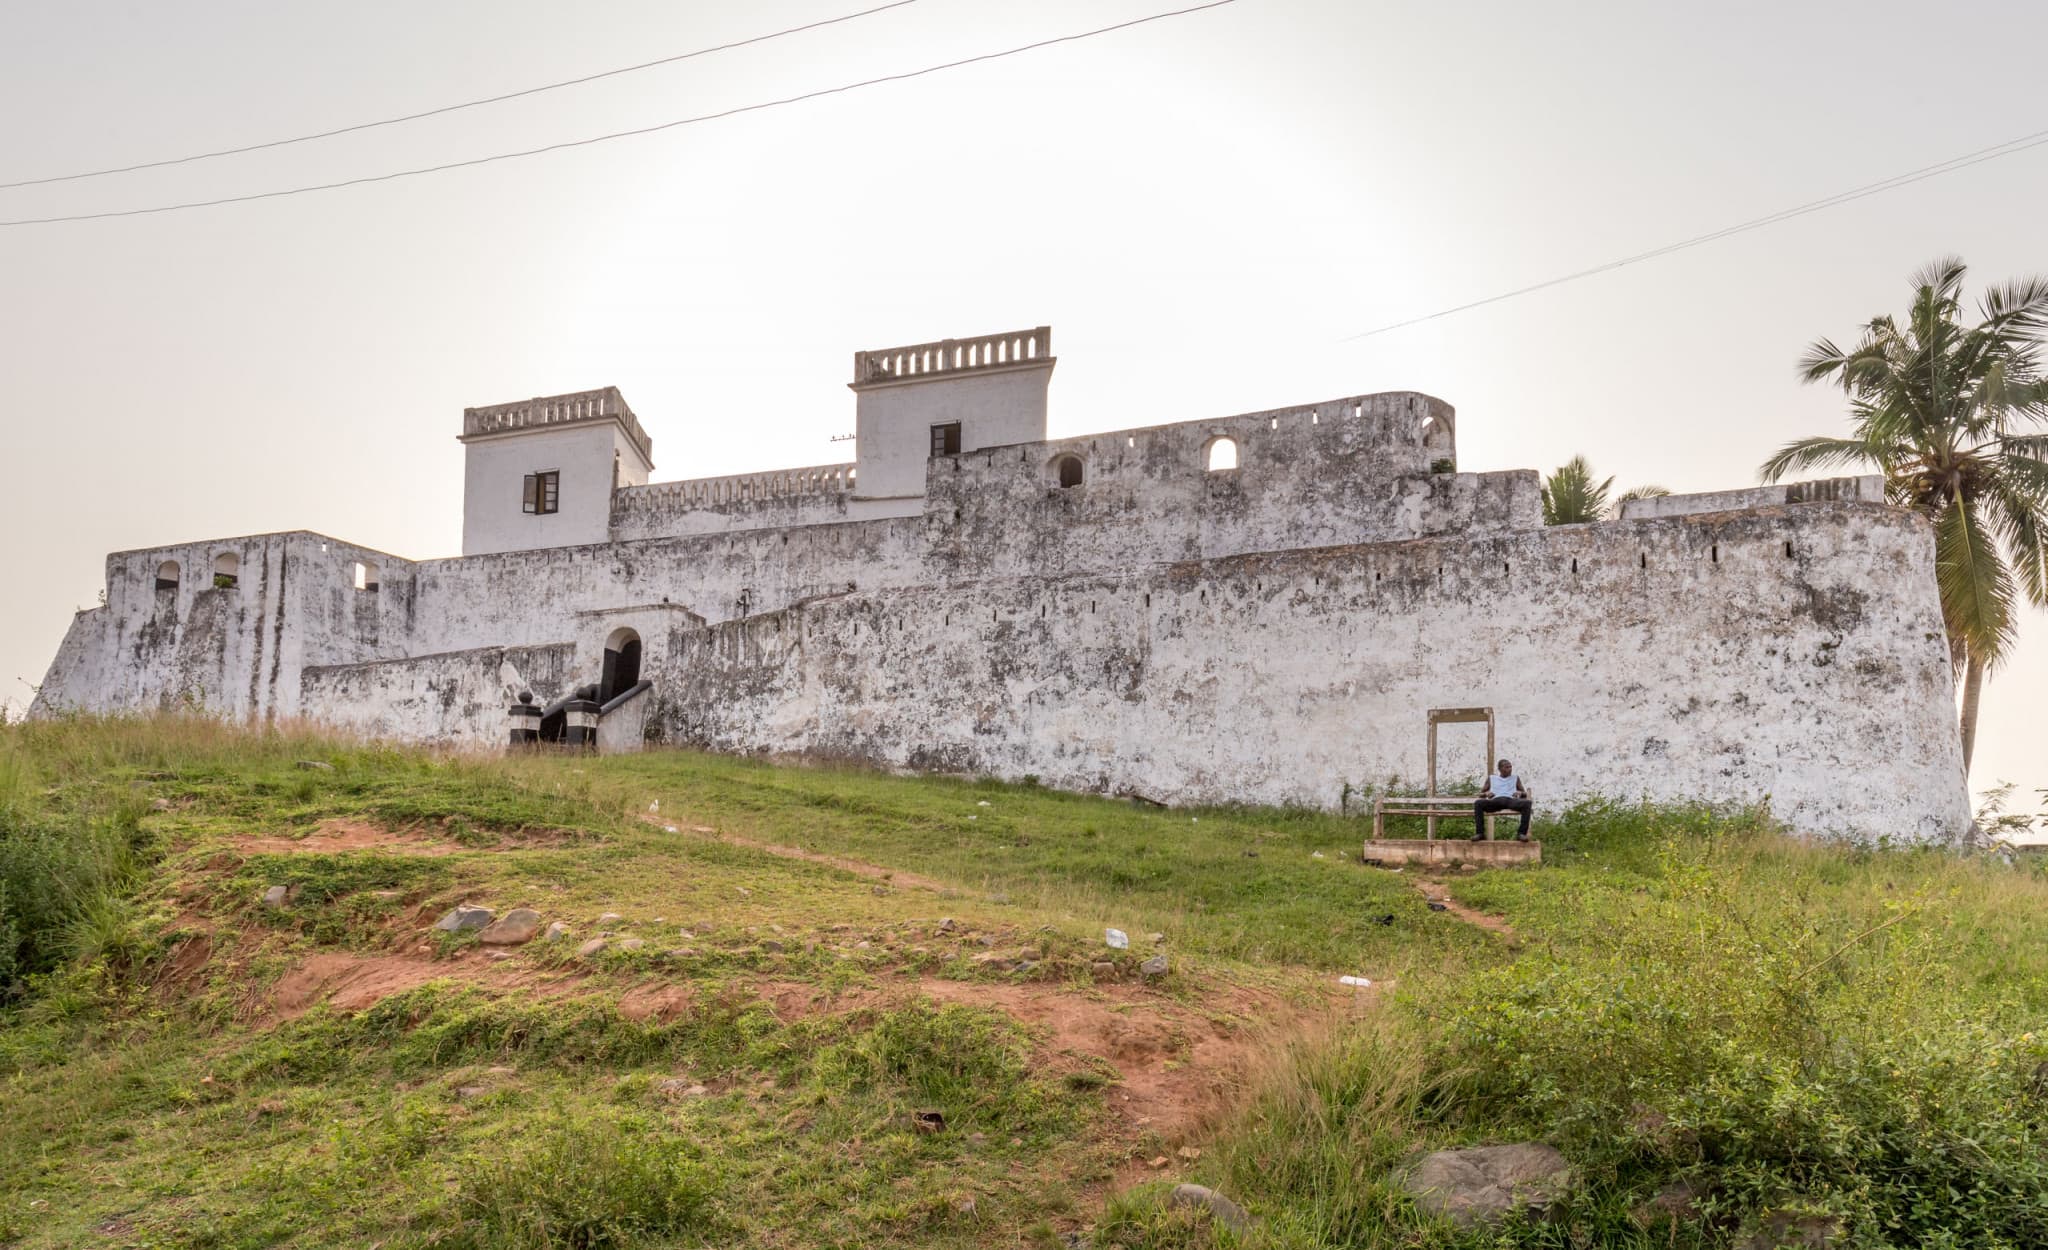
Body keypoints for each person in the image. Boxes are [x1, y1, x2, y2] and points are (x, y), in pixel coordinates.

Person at [1473, 759, 1533, 841]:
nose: (1510, 769)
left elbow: (1524, 794)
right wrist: (1486, 794)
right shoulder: (1492, 778)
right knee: (1478, 803)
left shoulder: (1515, 778)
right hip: (1495, 801)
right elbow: (1480, 794)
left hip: (1510, 800)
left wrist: (1520, 793)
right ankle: (1480, 833)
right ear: (1500, 769)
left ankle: (1521, 833)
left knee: (1527, 803)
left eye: (1510, 767)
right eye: (1507, 767)